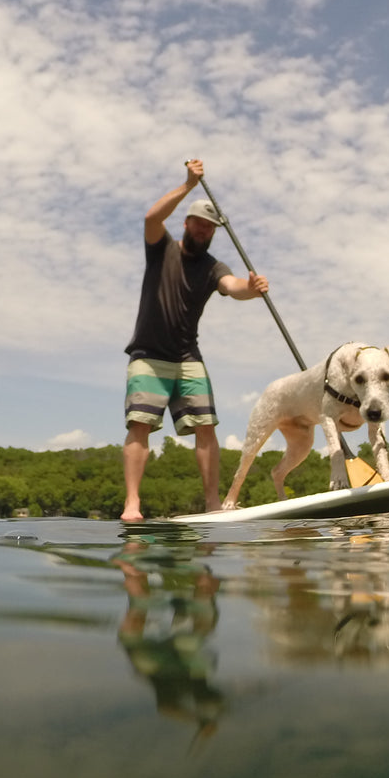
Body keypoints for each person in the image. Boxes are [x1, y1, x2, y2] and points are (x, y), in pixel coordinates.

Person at [122, 159, 268, 521]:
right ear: (186, 224)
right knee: (140, 425)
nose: (204, 231)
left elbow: (232, 287)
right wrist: (188, 185)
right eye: (199, 224)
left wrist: (252, 289)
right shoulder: (162, 248)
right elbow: (151, 219)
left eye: (210, 228)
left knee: (206, 428)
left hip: (188, 356)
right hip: (148, 355)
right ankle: (132, 505)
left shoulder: (213, 266)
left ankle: (212, 504)